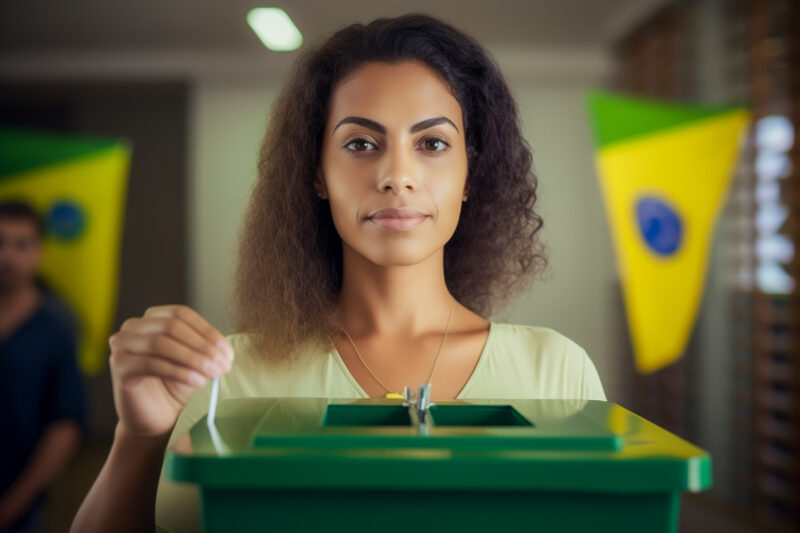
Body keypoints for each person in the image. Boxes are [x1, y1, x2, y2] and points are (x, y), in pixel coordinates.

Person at [72, 13, 606, 533]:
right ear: (318, 174)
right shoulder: (226, 384)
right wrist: (139, 439)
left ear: (471, 172)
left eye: (433, 143)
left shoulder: (560, 374)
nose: (397, 176)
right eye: (360, 144)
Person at [0, 200, 86, 533]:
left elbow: (65, 425)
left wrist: (9, 508)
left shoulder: (57, 328)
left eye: (21, 244)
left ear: (39, 252)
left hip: (18, 510)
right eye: (0, 243)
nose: (8, 256)